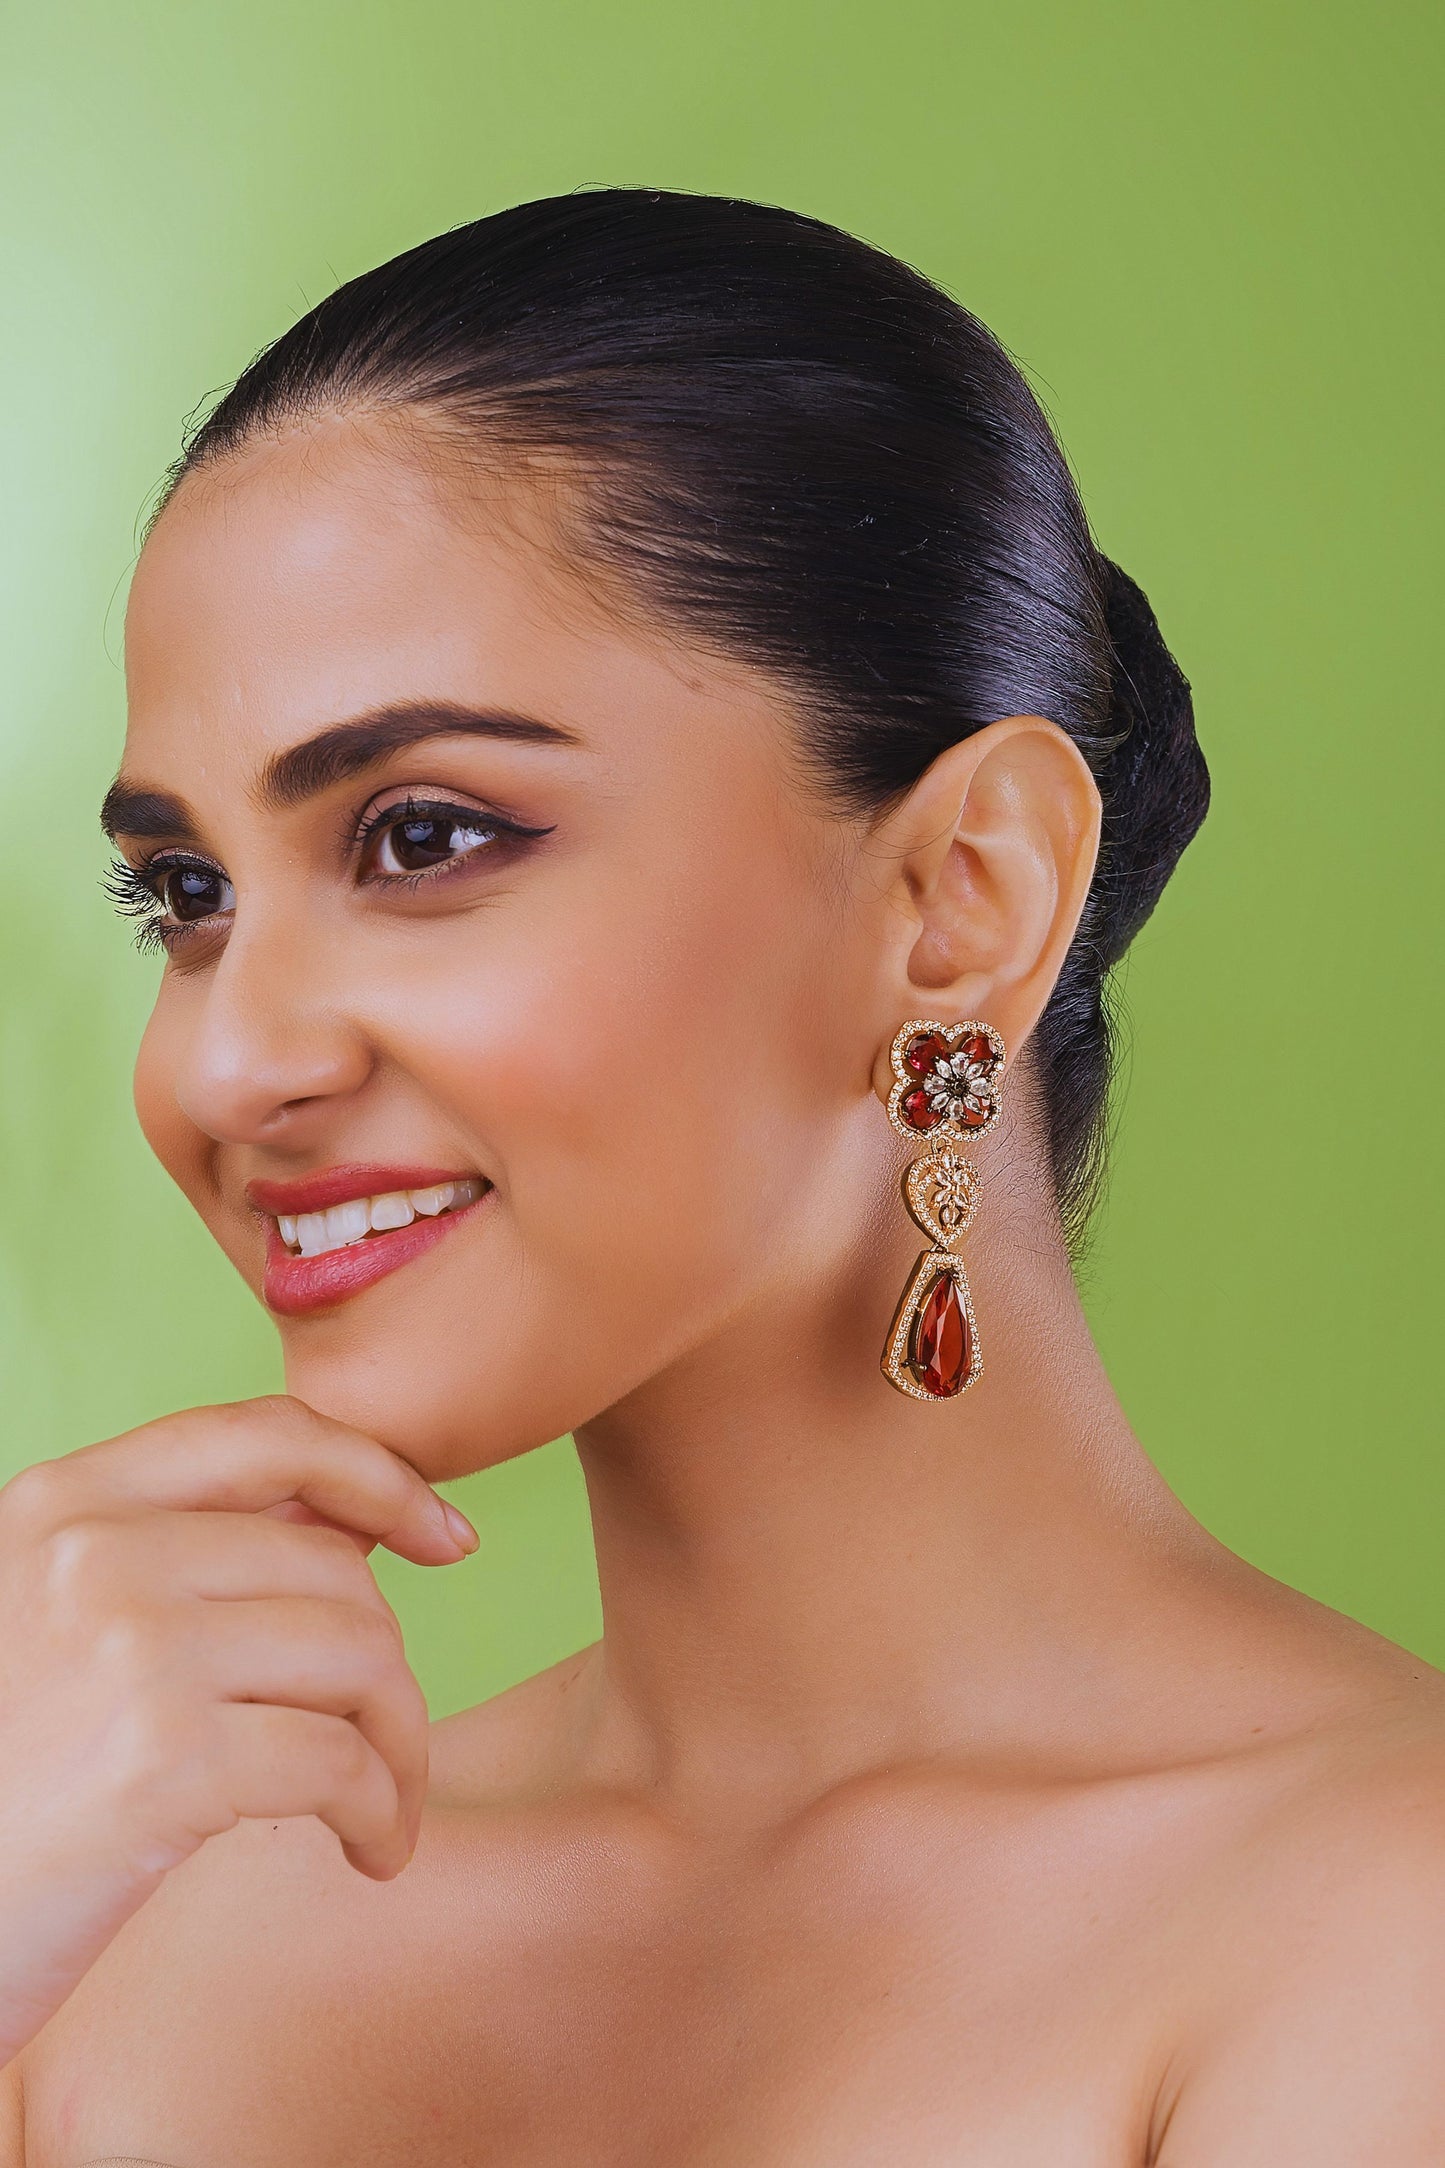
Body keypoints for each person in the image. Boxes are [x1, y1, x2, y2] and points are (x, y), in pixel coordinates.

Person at [2, 188, 1442, 2166]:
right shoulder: (122, 1923)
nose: (228, 1063)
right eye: (187, 892)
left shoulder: (1378, 1931)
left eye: (423, 838)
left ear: (960, 901)